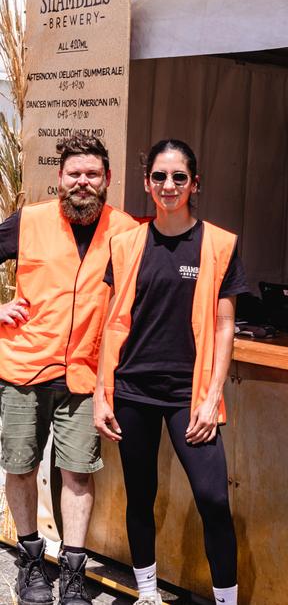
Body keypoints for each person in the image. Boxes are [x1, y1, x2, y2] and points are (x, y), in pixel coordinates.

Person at [93, 139, 247, 605]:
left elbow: (224, 326)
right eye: (160, 176)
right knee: (140, 497)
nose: (169, 185)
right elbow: (111, 323)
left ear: (194, 184)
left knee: (214, 501)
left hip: (188, 393)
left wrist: (211, 395)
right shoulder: (125, 245)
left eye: (179, 177)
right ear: (146, 183)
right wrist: (103, 393)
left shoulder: (219, 244)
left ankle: (226, 602)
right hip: (134, 388)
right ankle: (147, 594)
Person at [0, 133, 137, 605]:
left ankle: (73, 570)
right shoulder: (31, 220)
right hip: (24, 367)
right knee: (20, 466)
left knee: (78, 472)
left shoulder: (126, 230)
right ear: (59, 178)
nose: (83, 182)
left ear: (108, 180)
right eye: (74, 173)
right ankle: (32, 558)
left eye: (92, 174)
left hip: (86, 373)